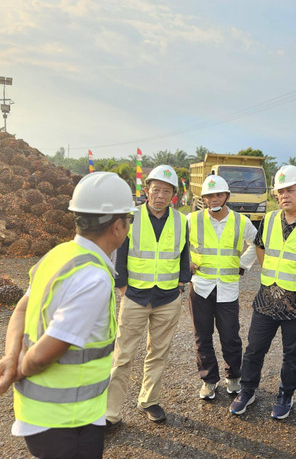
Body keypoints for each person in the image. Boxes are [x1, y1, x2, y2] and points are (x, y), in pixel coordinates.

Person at [0, 171, 138, 459]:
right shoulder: (94, 278)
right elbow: (42, 355)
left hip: (47, 416)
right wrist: (16, 370)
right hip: (66, 422)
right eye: (129, 220)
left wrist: (9, 355)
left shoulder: (58, 255)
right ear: (117, 226)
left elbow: (21, 308)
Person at [230, 165, 296, 419]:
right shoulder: (269, 220)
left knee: (292, 354)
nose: (284, 195)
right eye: (280, 191)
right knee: (254, 348)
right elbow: (261, 248)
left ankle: (286, 395)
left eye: (290, 190)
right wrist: (272, 273)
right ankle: (248, 390)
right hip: (267, 299)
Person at [106, 164, 191, 427]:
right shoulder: (130, 217)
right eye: (156, 190)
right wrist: (122, 288)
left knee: (158, 353)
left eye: (167, 191)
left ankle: (149, 400)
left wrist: (180, 285)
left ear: (173, 195)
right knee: (122, 355)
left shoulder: (181, 221)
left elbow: (184, 254)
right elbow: (119, 254)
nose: (161, 196)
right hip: (135, 297)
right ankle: (110, 413)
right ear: (146, 190)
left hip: (167, 298)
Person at [187, 175, 258, 400]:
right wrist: (186, 261)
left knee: (230, 336)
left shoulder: (241, 221)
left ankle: (234, 377)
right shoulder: (192, 219)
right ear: (204, 199)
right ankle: (209, 380)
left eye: (218, 194)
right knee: (202, 337)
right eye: (209, 195)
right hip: (200, 287)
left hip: (227, 287)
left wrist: (243, 263)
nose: (214, 199)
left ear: (227, 196)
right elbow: (177, 243)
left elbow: (257, 243)